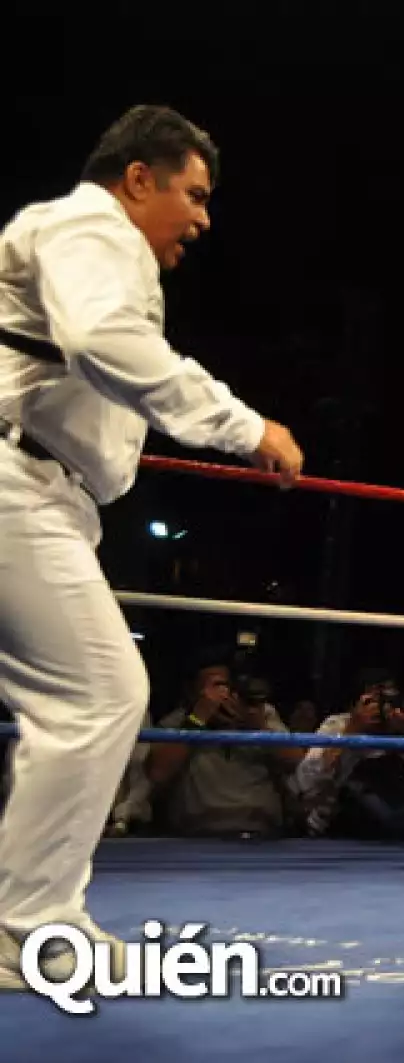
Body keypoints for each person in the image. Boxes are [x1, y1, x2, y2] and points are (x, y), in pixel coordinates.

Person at [0, 105, 303, 990]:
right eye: (195, 194)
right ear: (139, 179)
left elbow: (136, 353)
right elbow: (106, 343)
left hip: (40, 489)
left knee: (81, 699)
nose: (203, 219)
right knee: (98, 694)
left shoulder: (79, 242)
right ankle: (29, 930)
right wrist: (243, 427)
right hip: (14, 485)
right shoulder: (94, 227)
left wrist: (240, 415)